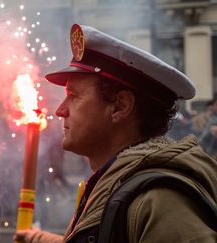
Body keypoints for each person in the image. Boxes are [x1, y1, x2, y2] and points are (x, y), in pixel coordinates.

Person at [14, 23, 217, 242]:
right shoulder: (122, 183)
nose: (60, 110)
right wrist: (37, 239)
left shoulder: (160, 200)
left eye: (74, 96)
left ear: (119, 106)